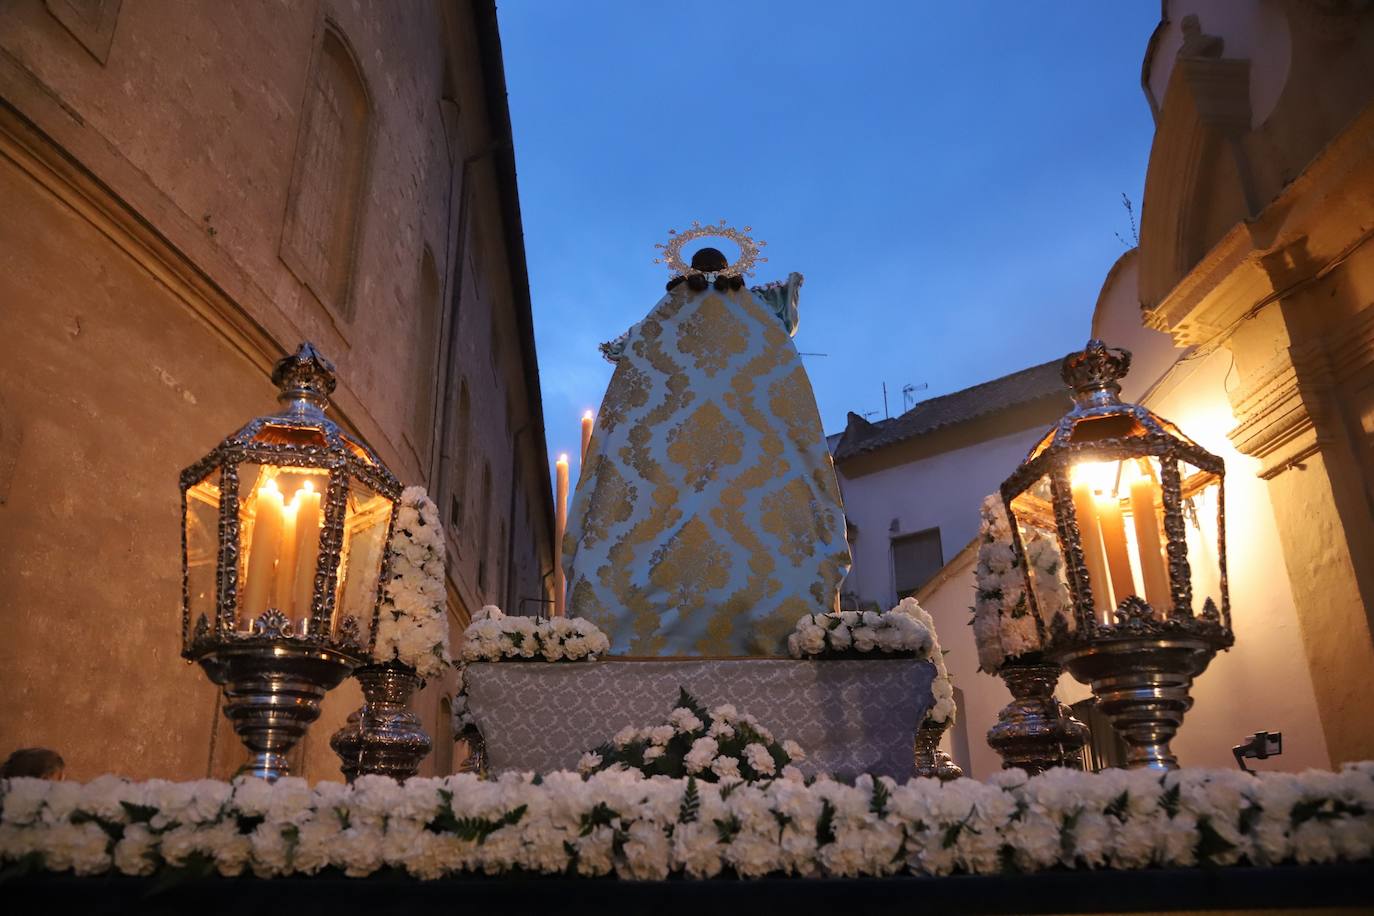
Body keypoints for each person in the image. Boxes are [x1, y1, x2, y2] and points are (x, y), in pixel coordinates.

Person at [565, 243, 850, 656]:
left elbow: (629, 425)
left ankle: (631, 619)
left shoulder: (656, 329)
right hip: (752, 502)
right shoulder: (762, 330)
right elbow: (792, 424)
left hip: (663, 502)